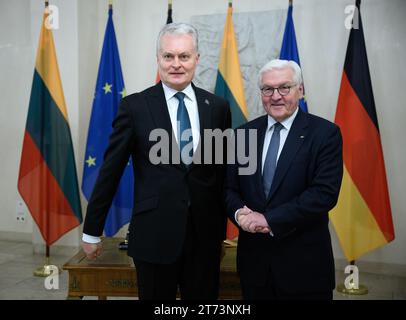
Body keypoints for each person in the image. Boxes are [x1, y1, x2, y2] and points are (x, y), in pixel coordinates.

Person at [82, 22, 231, 300]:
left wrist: (231, 222)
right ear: (158, 59)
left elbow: (221, 173)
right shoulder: (135, 107)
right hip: (154, 236)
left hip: (204, 239)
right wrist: (92, 231)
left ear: (197, 59)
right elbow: (110, 172)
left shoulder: (218, 108)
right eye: (168, 56)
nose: (176, 64)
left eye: (184, 56)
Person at [225, 59, 343, 300]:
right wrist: (239, 214)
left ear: (300, 90)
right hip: (254, 266)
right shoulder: (242, 135)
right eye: (268, 89)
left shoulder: (325, 134)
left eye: (284, 87)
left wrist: (269, 219)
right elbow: (228, 188)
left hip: (304, 267)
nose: (275, 96)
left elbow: (324, 194)